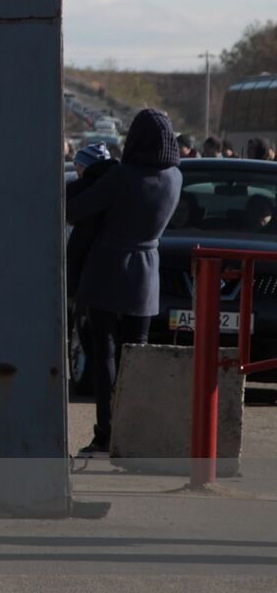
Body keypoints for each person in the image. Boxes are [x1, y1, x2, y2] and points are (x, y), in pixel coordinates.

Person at [66, 109, 181, 456]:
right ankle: (136, 436)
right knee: (138, 358)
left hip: (106, 269)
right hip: (147, 273)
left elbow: (75, 211)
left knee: (105, 356)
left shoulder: (123, 177)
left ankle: (105, 433)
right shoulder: (175, 177)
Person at [65, 143, 119, 397]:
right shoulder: (118, 187)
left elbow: (69, 211)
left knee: (92, 337)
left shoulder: (86, 192)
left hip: (89, 276)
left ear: (85, 167)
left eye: (78, 166)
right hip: (120, 275)